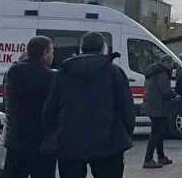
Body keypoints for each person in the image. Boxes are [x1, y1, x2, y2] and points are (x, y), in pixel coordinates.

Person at [41, 32, 135, 178]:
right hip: (108, 143)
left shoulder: (63, 72)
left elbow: (50, 109)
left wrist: (55, 134)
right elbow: (126, 108)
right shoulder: (114, 72)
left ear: (81, 48)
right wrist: (125, 134)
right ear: (103, 48)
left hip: (70, 142)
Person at [1, 38, 56, 178]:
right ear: (44, 53)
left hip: (15, 138)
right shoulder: (50, 77)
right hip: (40, 142)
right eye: (52, 51)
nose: (53, 55)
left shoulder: (12, 72)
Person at [0, 52, 29, 178]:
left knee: (4, 142)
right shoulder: (21, 74)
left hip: (11, 113)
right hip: (19, 116)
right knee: (6, 143)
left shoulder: (12, 72)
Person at [141, 54, 177, 169]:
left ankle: (161, 157)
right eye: (171, 64)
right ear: (166, 62)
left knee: (160, 131)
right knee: (156, 133)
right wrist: (175, 95)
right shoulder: (161, 73)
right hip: (157, 106)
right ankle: (148, 159)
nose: (171, 67)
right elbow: (165, 91)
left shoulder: (153, 71)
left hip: (151, 105)